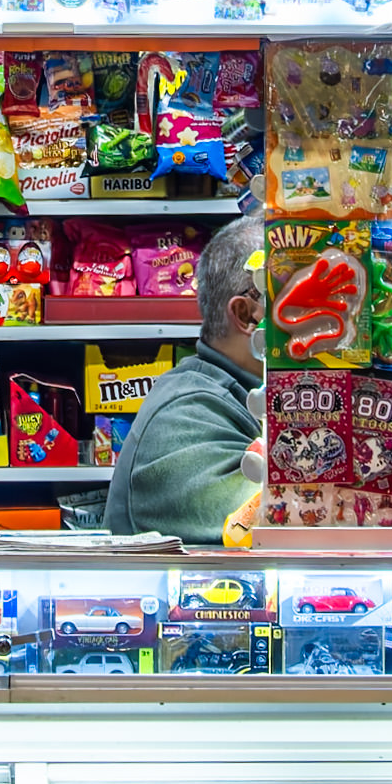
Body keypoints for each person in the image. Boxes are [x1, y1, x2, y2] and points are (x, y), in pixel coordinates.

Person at [104, 216, 270, 544]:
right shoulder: (184, 415)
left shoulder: (245, 391)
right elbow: (294, 515)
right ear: (247, 314)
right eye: (298, 298)